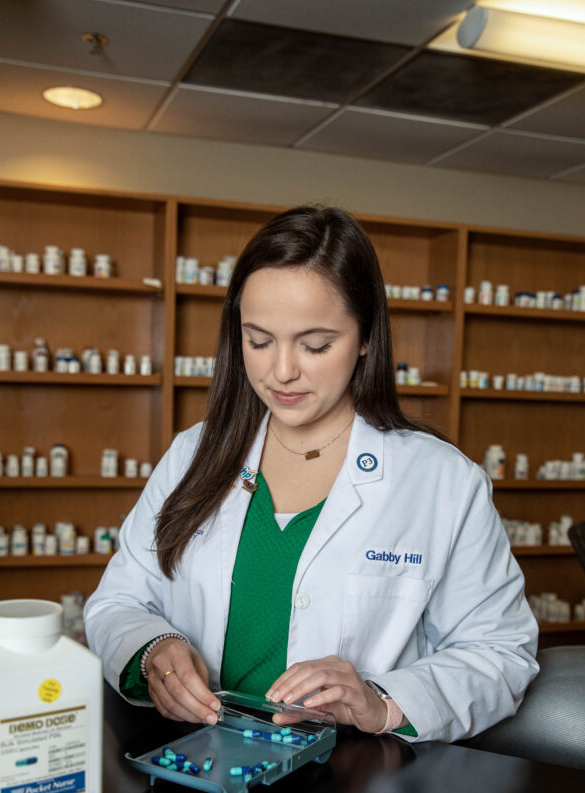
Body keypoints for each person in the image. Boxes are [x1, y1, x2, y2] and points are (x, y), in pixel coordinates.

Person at [84, 205, 538, 742]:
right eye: (258, 340)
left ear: (366, 337)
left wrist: (381, 701)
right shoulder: (192, 455)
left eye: (316, 345)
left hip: (354, 773)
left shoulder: (442, 483)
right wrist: (153, 650)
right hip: (200, 757)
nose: (282, 371)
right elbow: (118, 602)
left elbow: (500, 652)